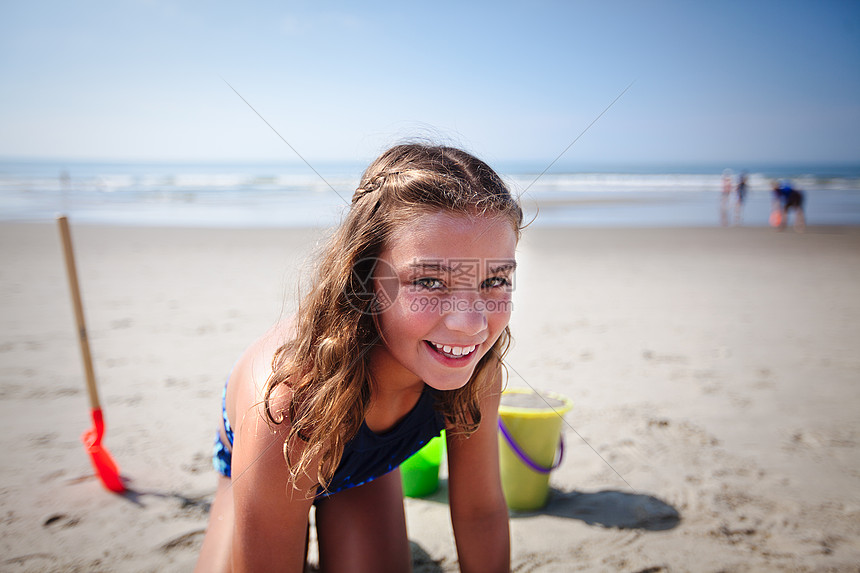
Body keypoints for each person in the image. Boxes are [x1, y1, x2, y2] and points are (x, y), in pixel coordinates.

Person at [195, 143, 521, 573]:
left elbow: (480, 513)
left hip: (364, 464)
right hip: (274, 447)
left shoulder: (477, 367)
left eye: (494, 280)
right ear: (364, 277)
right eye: (429, 281)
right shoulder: (287, 403)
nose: (470, 324)